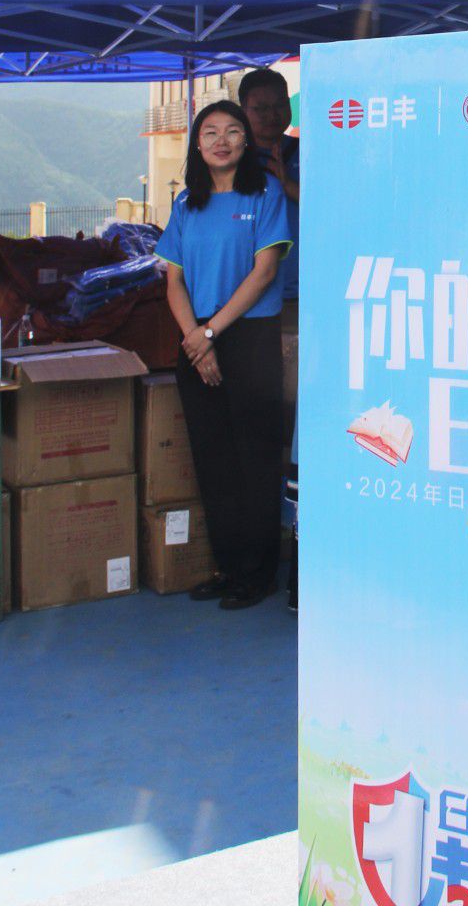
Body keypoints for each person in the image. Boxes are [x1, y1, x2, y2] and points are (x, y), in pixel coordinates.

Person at [156, 99, 291, 610]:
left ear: (245, 141)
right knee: (213, 462)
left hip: (248, 337)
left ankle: (255, 575)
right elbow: (174, 280)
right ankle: (227, 565)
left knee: (254, 459)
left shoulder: (266, 194)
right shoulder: (186, 203)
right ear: (197, 143)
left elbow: (264, 272)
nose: (221, 140)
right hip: (198, 340)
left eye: (233, 131)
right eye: (210, 131)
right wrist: (196, 338)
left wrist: (211, 333)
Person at [237, 67, 301, 611]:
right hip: (256, 308)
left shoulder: (307, 155)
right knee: (268, 422)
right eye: (261, 107)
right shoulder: (232, 163)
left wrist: (288, 182)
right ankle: (266, 538)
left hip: (308, 301)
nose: (273, 115)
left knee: (302, 421)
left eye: (279, 104)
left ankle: (294, 533)